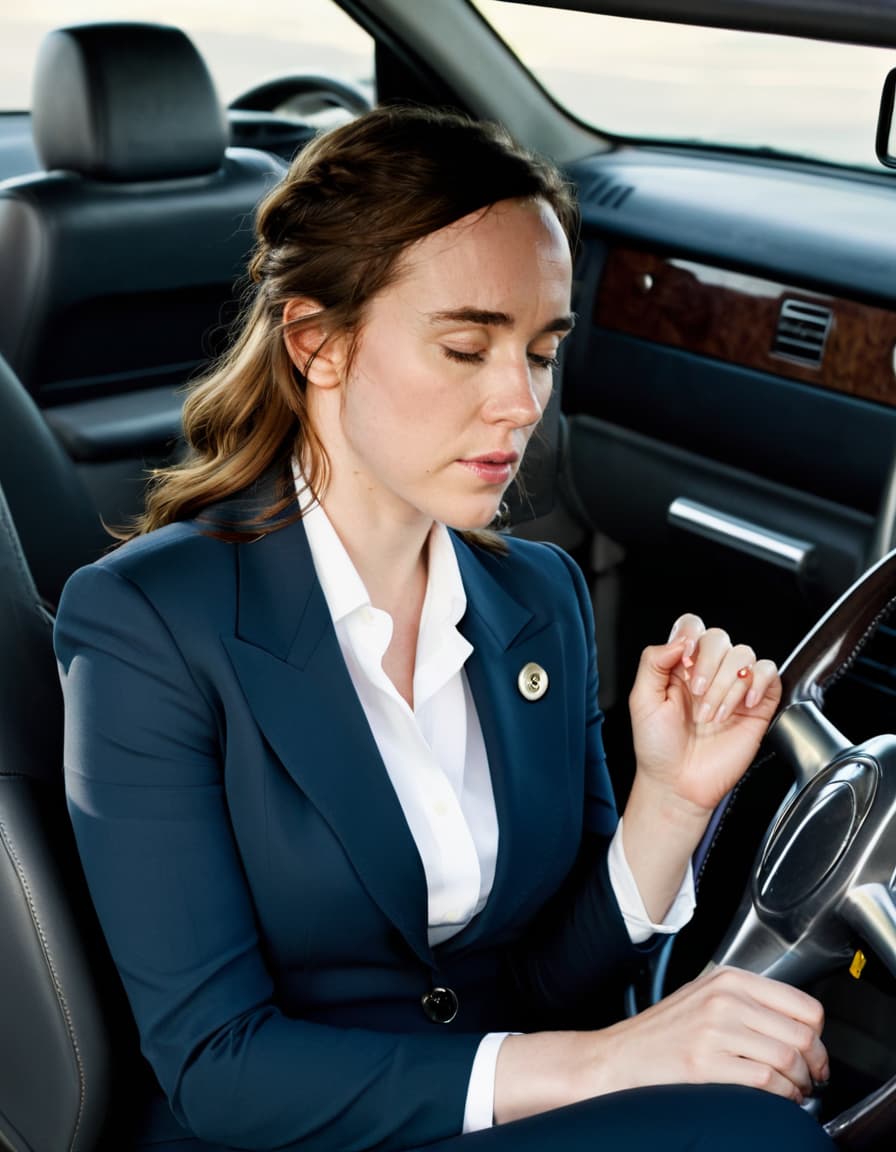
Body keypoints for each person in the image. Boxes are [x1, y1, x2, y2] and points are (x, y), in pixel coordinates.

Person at [54, 105, 833, 1152]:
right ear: (315, 342)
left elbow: (540, 982)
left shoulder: (540, 598)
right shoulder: (147, 624)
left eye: (542, 352)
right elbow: (215, 1065)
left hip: (500, 1103)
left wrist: (669, 803)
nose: (520, 403)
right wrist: (611, 1061)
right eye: (467, 348)